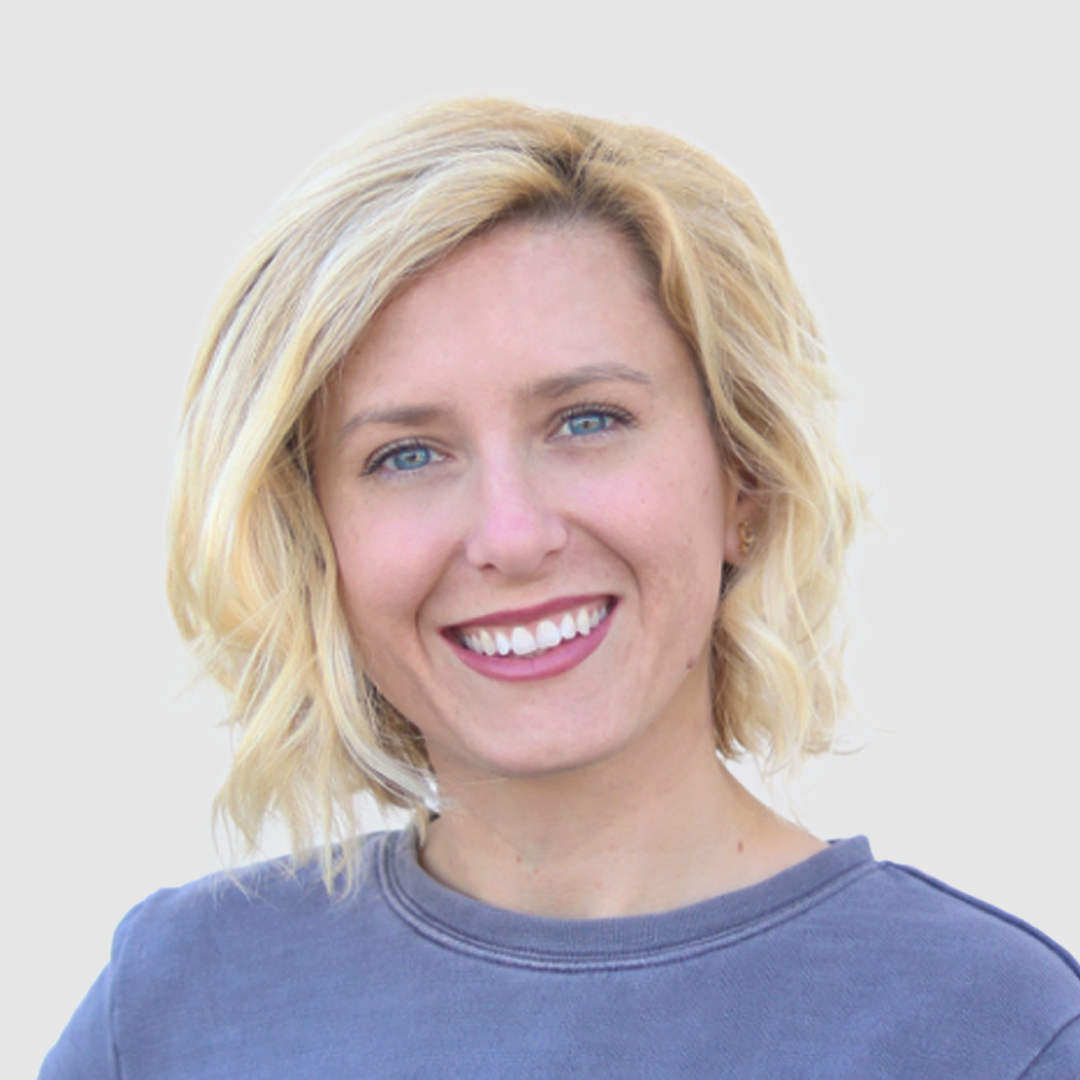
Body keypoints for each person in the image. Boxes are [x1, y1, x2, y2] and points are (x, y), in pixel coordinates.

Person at [41, 99, 1080, 1078]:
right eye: (407, 454)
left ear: (744, 480)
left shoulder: (994, 1032)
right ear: (320, 544)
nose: (513, 536)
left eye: (587, 420)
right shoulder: (180, 1007)